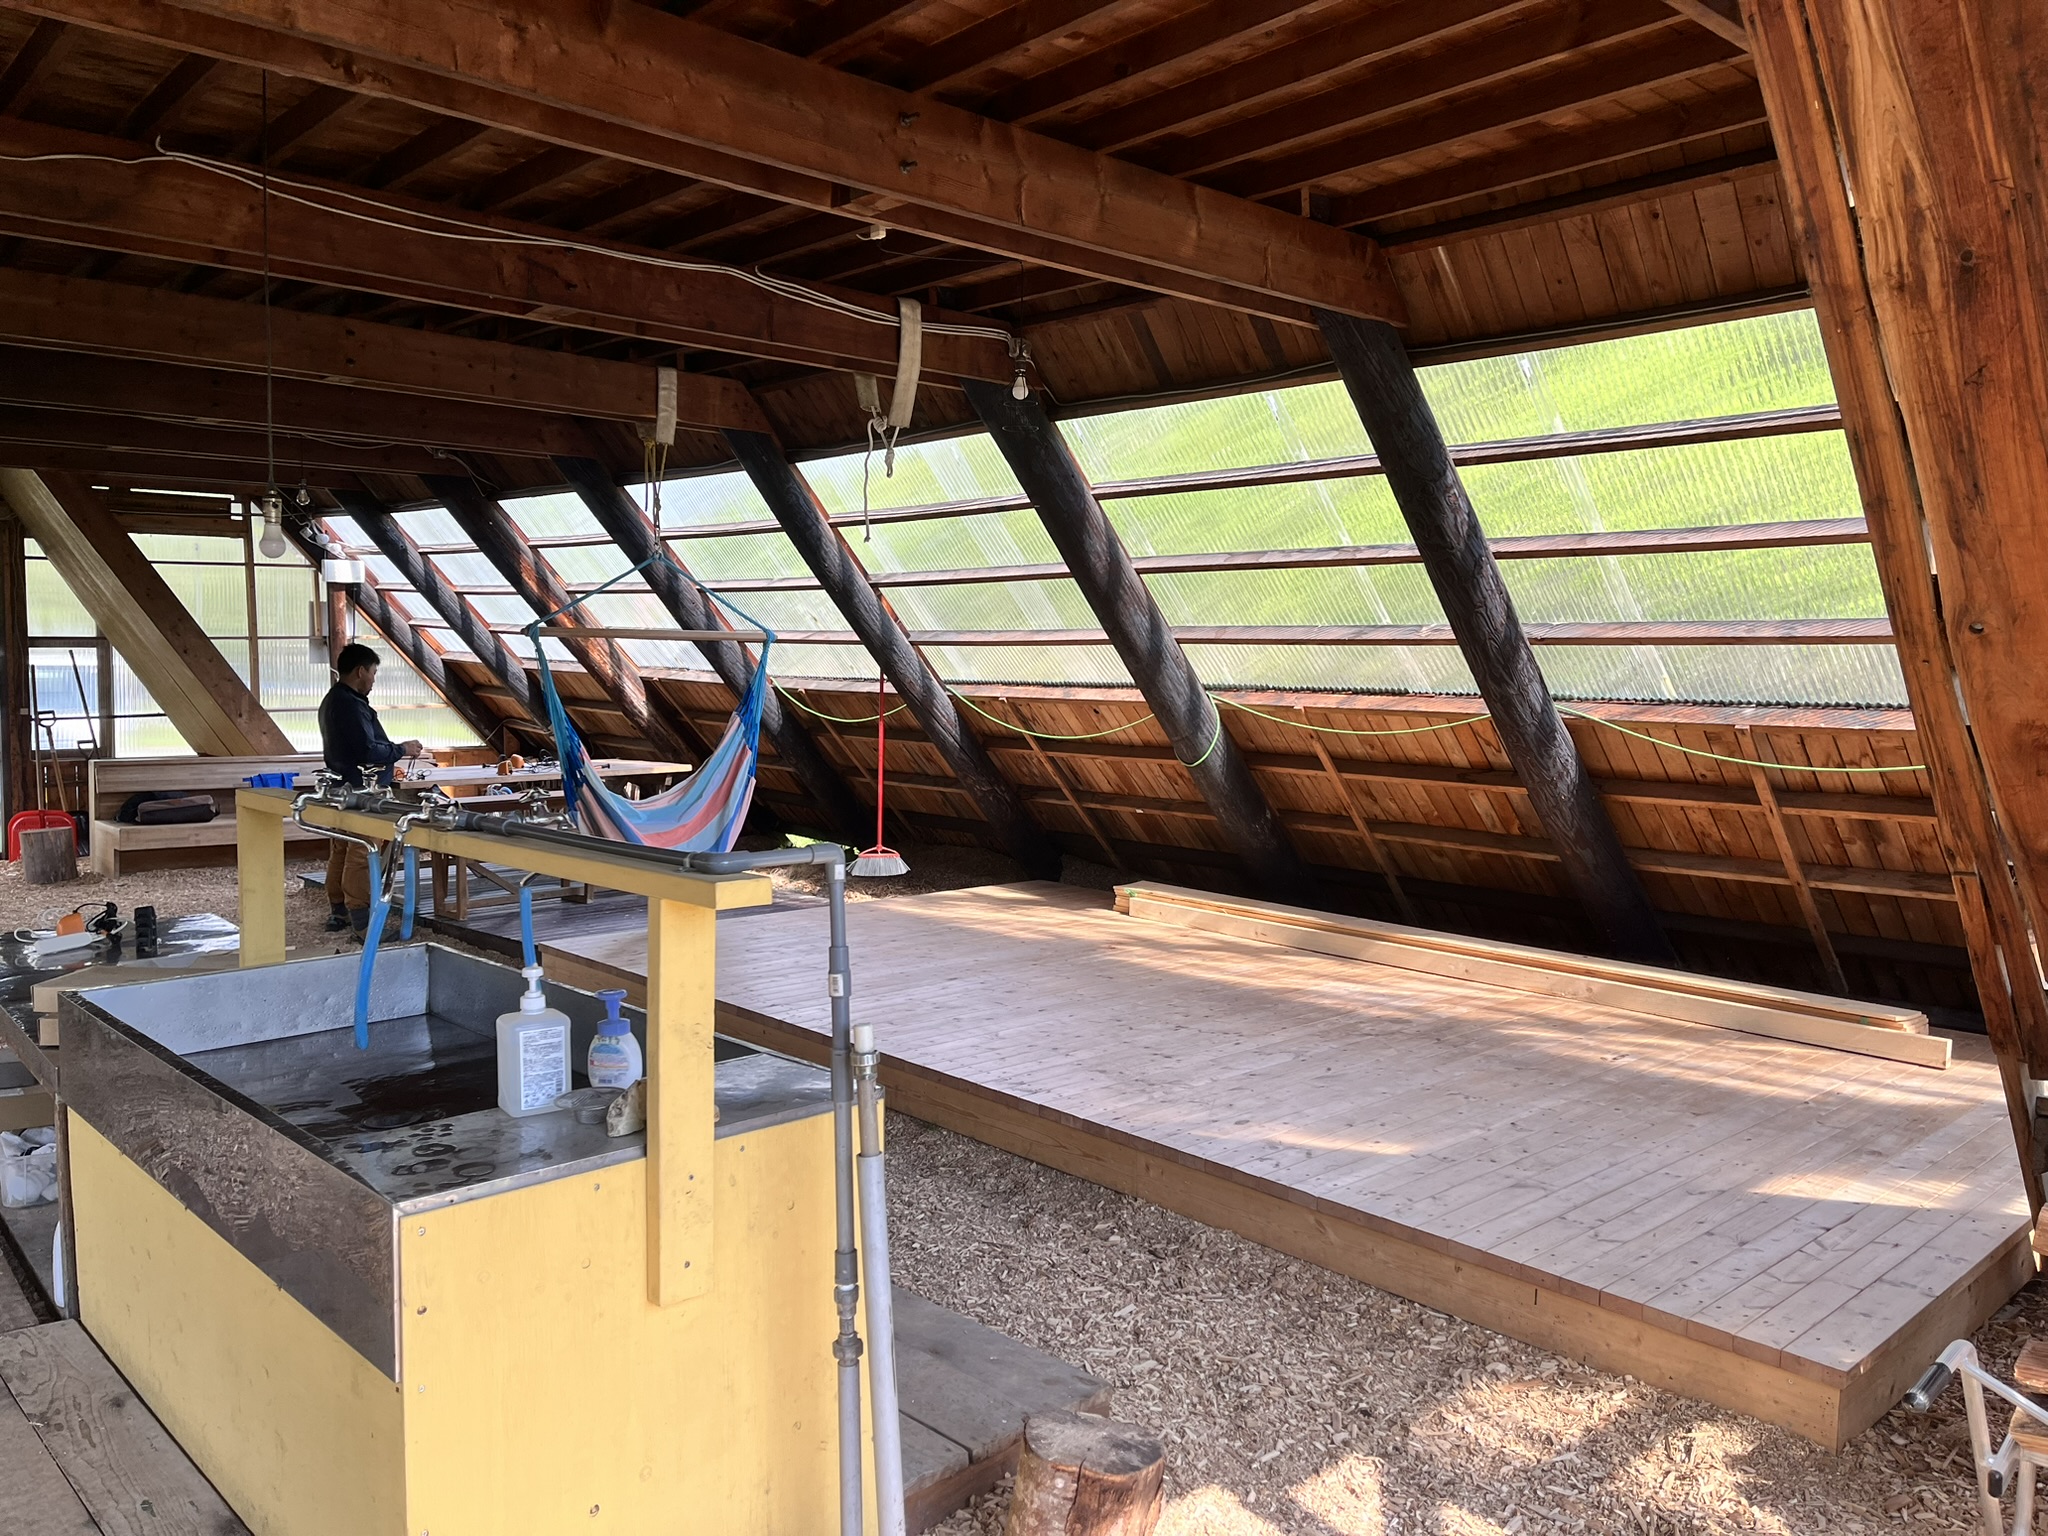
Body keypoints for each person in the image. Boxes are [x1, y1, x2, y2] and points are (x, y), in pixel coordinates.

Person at [318, 643, 428, 936]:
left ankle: (339, 910)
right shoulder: (352, 705)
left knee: (342, 847)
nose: (374, 680)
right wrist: (401, 749)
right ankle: (363, 922)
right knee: (362, 851)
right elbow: (367, 751)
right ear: (360, 671)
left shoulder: (332, 699)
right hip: (362, 790)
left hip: (340, 787)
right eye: (373, 673)